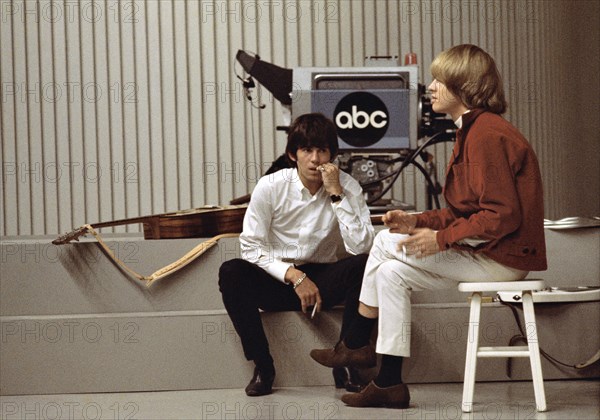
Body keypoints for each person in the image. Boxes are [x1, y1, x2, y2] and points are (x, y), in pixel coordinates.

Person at [310, 44, 548, 408]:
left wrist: (441, 239)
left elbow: (503, 215)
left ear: (463, 87)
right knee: (389, 272)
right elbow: (464, 210)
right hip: (489, 252)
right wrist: (415, 221)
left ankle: (355, 342)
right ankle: (389, 382)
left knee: (384, 242)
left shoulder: (486, 134)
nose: (431, 87)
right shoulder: (471, 131)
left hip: (505, 258)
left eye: (439, 80)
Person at [219, 112, 375, 396]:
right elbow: (251, 246)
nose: (315, 159)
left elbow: (361, 247)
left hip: (326, 278)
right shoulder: (271, 186)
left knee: (366, 265)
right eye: (307, 150)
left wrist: (337, 195)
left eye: (322, 150)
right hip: (280, 277)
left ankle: (349, 359)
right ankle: (263, 367)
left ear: (332, 154)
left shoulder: (348, 187)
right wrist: (294, 276)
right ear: (293, 154)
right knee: (231, 271)